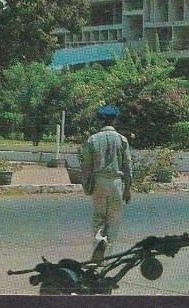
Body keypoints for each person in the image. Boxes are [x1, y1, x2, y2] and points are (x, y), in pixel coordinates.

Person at [79, 105, 132, 263]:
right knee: (113, 220)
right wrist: (127, 189)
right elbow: (128, 166)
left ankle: (98, 243)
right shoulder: (122, 140)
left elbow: (86, 166)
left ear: (99, 121)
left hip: (99, 181)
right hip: (116, 182)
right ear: (114, 120)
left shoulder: (92, 139)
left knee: (98, 218)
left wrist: (86, 186)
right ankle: (106, 256)